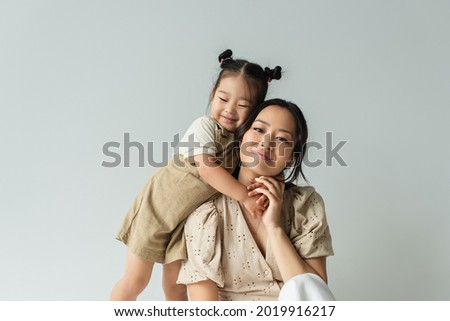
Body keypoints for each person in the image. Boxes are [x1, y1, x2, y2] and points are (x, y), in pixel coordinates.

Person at [110, 50, 282, 300]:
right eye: (223, 99)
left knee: (176, 287)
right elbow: (207, 168)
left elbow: (252, 171)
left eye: (243, 106)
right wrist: (245, 197)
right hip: (157, 209)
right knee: (136, 280)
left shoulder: (241, 143)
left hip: (185, 221)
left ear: (255, 112)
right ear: (213, 94)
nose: (230, 110)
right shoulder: (205, 127)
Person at [177, 98, 335, 300]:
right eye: (259, 130)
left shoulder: (305, 205)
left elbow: (315, 298)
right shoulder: (207, 214)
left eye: (282, 140)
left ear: (292, 157)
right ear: (242, 136)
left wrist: (274, 228)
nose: (266, 143)